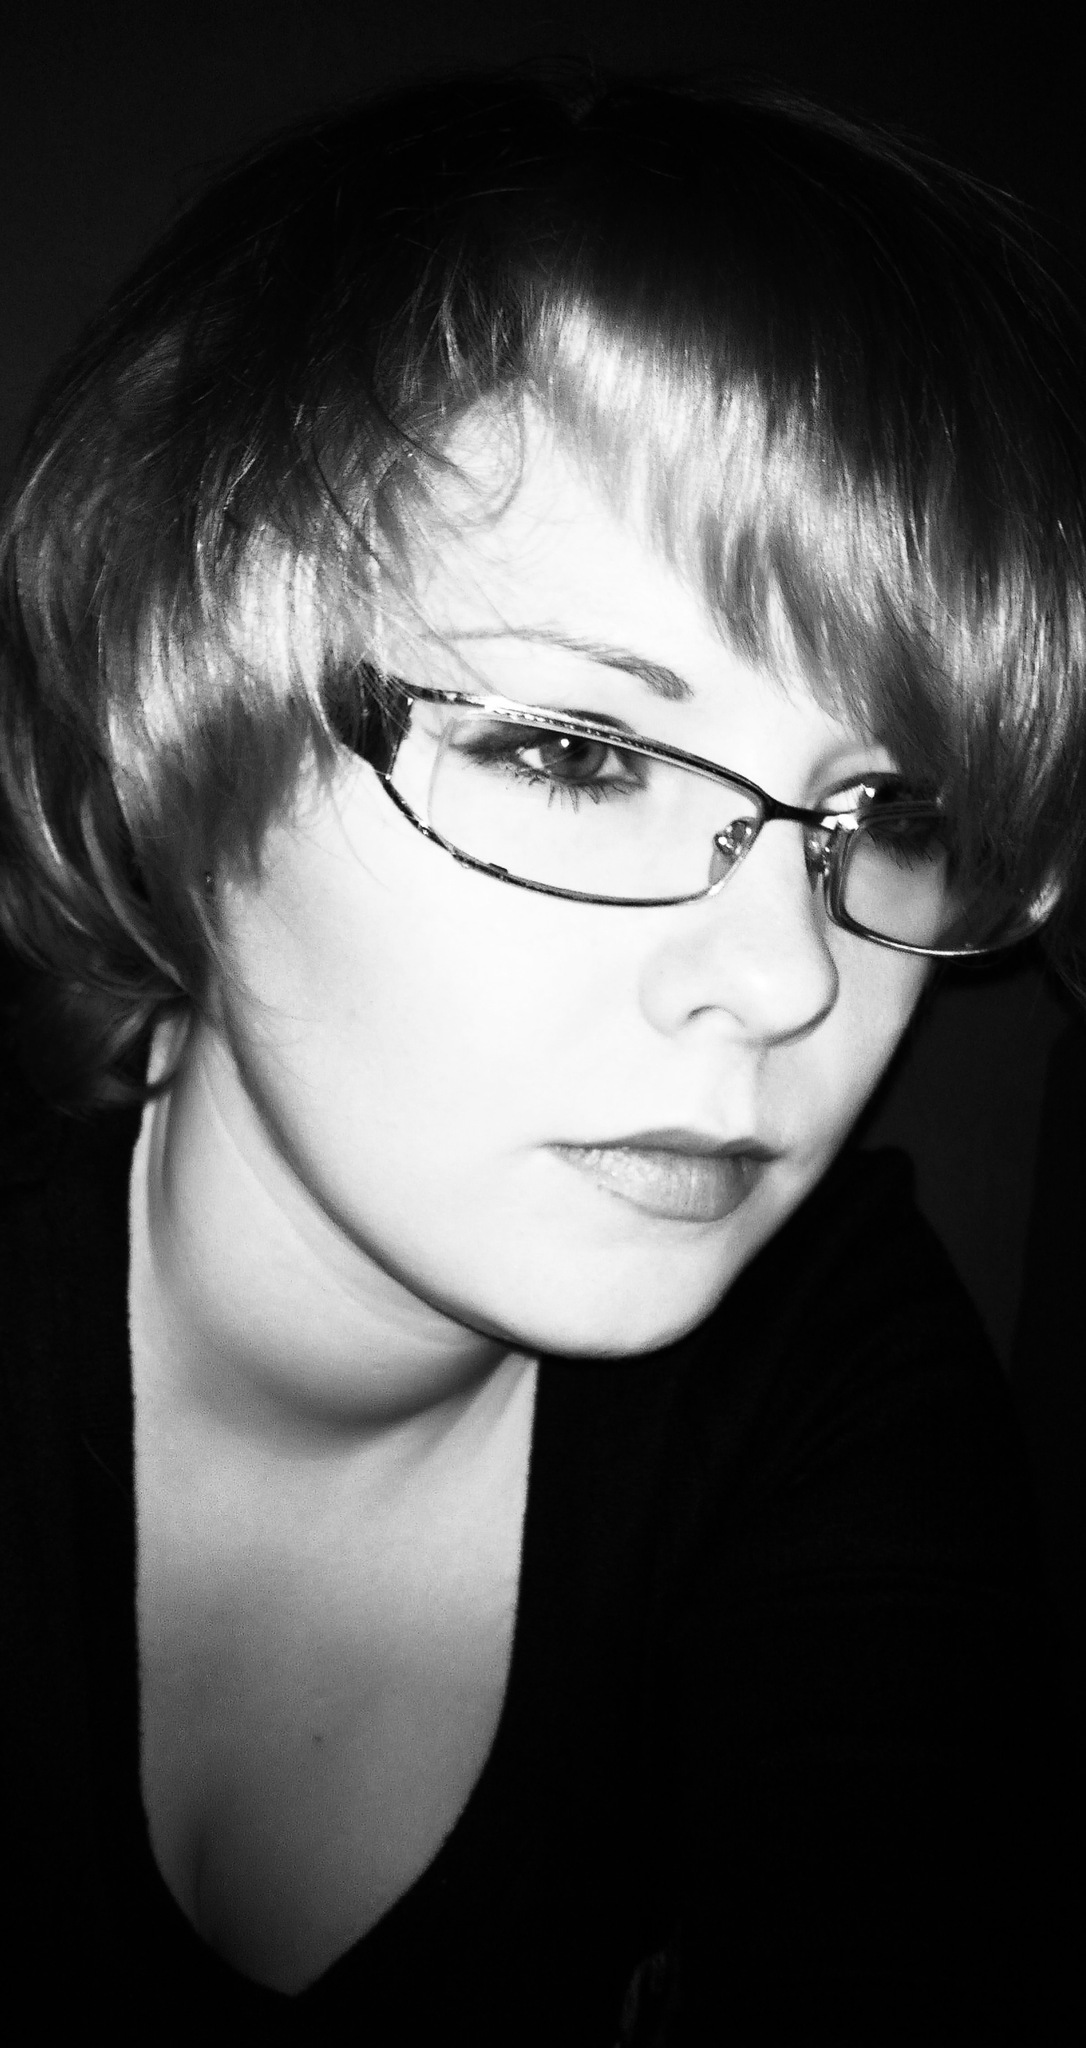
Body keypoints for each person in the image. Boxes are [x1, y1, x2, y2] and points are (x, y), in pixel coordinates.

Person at [0, 66, 1082, 2041]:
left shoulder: (828, 1368)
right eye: (576, 753)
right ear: (182, 711)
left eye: (890, 815)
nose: (786, 978)